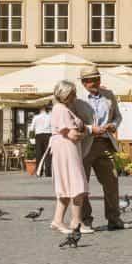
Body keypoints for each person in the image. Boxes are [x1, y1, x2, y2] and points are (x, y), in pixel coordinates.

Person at [74, 67, 129, 232]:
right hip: (85, 144)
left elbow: (118, 116)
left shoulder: (109, 95)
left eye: (97, 79)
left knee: (112, 182)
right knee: (82, 185)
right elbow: (74, 121)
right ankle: (85, 220)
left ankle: (114, 219)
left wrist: (114, 125)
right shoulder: (77, 99)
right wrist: (91, 128)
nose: (95, 83)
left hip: (105, 143)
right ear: (84, 82)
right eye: (91, 80)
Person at [49, 80, 89, 233]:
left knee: (67, 184)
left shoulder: (62, 109)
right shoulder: (61, 110)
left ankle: (59, 220)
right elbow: (72, 135)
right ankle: (75, 221)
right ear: (65, 94)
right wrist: (86, 132)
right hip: (66, 149)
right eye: (72, 93)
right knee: (76, 184)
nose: (75, 96)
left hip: (65, 149)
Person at [31, 106, 53, 177]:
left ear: (40, 110)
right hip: (48, 135)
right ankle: (48, 172)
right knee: (48, 154)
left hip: (39, 135)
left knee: (39, 154)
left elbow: (32, 128)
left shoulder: (36, 117)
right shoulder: (50, 117)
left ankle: (39, 172)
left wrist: (32, 138)